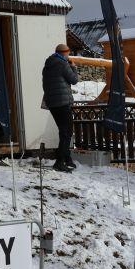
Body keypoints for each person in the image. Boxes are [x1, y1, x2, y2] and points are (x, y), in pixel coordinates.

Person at [42, 43, 79, 172]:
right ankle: (59, 161)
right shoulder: (63, 64)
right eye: (68, 53)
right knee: (67, 132)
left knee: (63, 131)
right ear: (65, 53)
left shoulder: (48, 65)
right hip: (63, 103)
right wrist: (73, 67)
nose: (69, 55)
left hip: (52, 103)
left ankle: (67, 158)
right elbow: (74, 80)